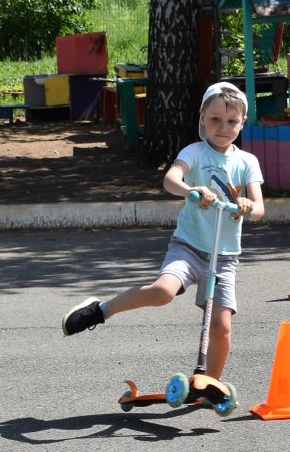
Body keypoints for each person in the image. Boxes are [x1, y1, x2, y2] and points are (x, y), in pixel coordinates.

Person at [60, 82, 265, 381]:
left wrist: (247, 205)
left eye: (232, 121)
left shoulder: (247, 162)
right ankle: (100, 310)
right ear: (202, 116)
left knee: (221, 325)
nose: (223, 127)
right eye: (215, 119)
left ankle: (209, 385)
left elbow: (259, 209)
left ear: (242, 122)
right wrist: (189, 190)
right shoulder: (194, 152)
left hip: (224, 258)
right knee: (162, 292)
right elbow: (171, 179)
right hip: (189, 247)